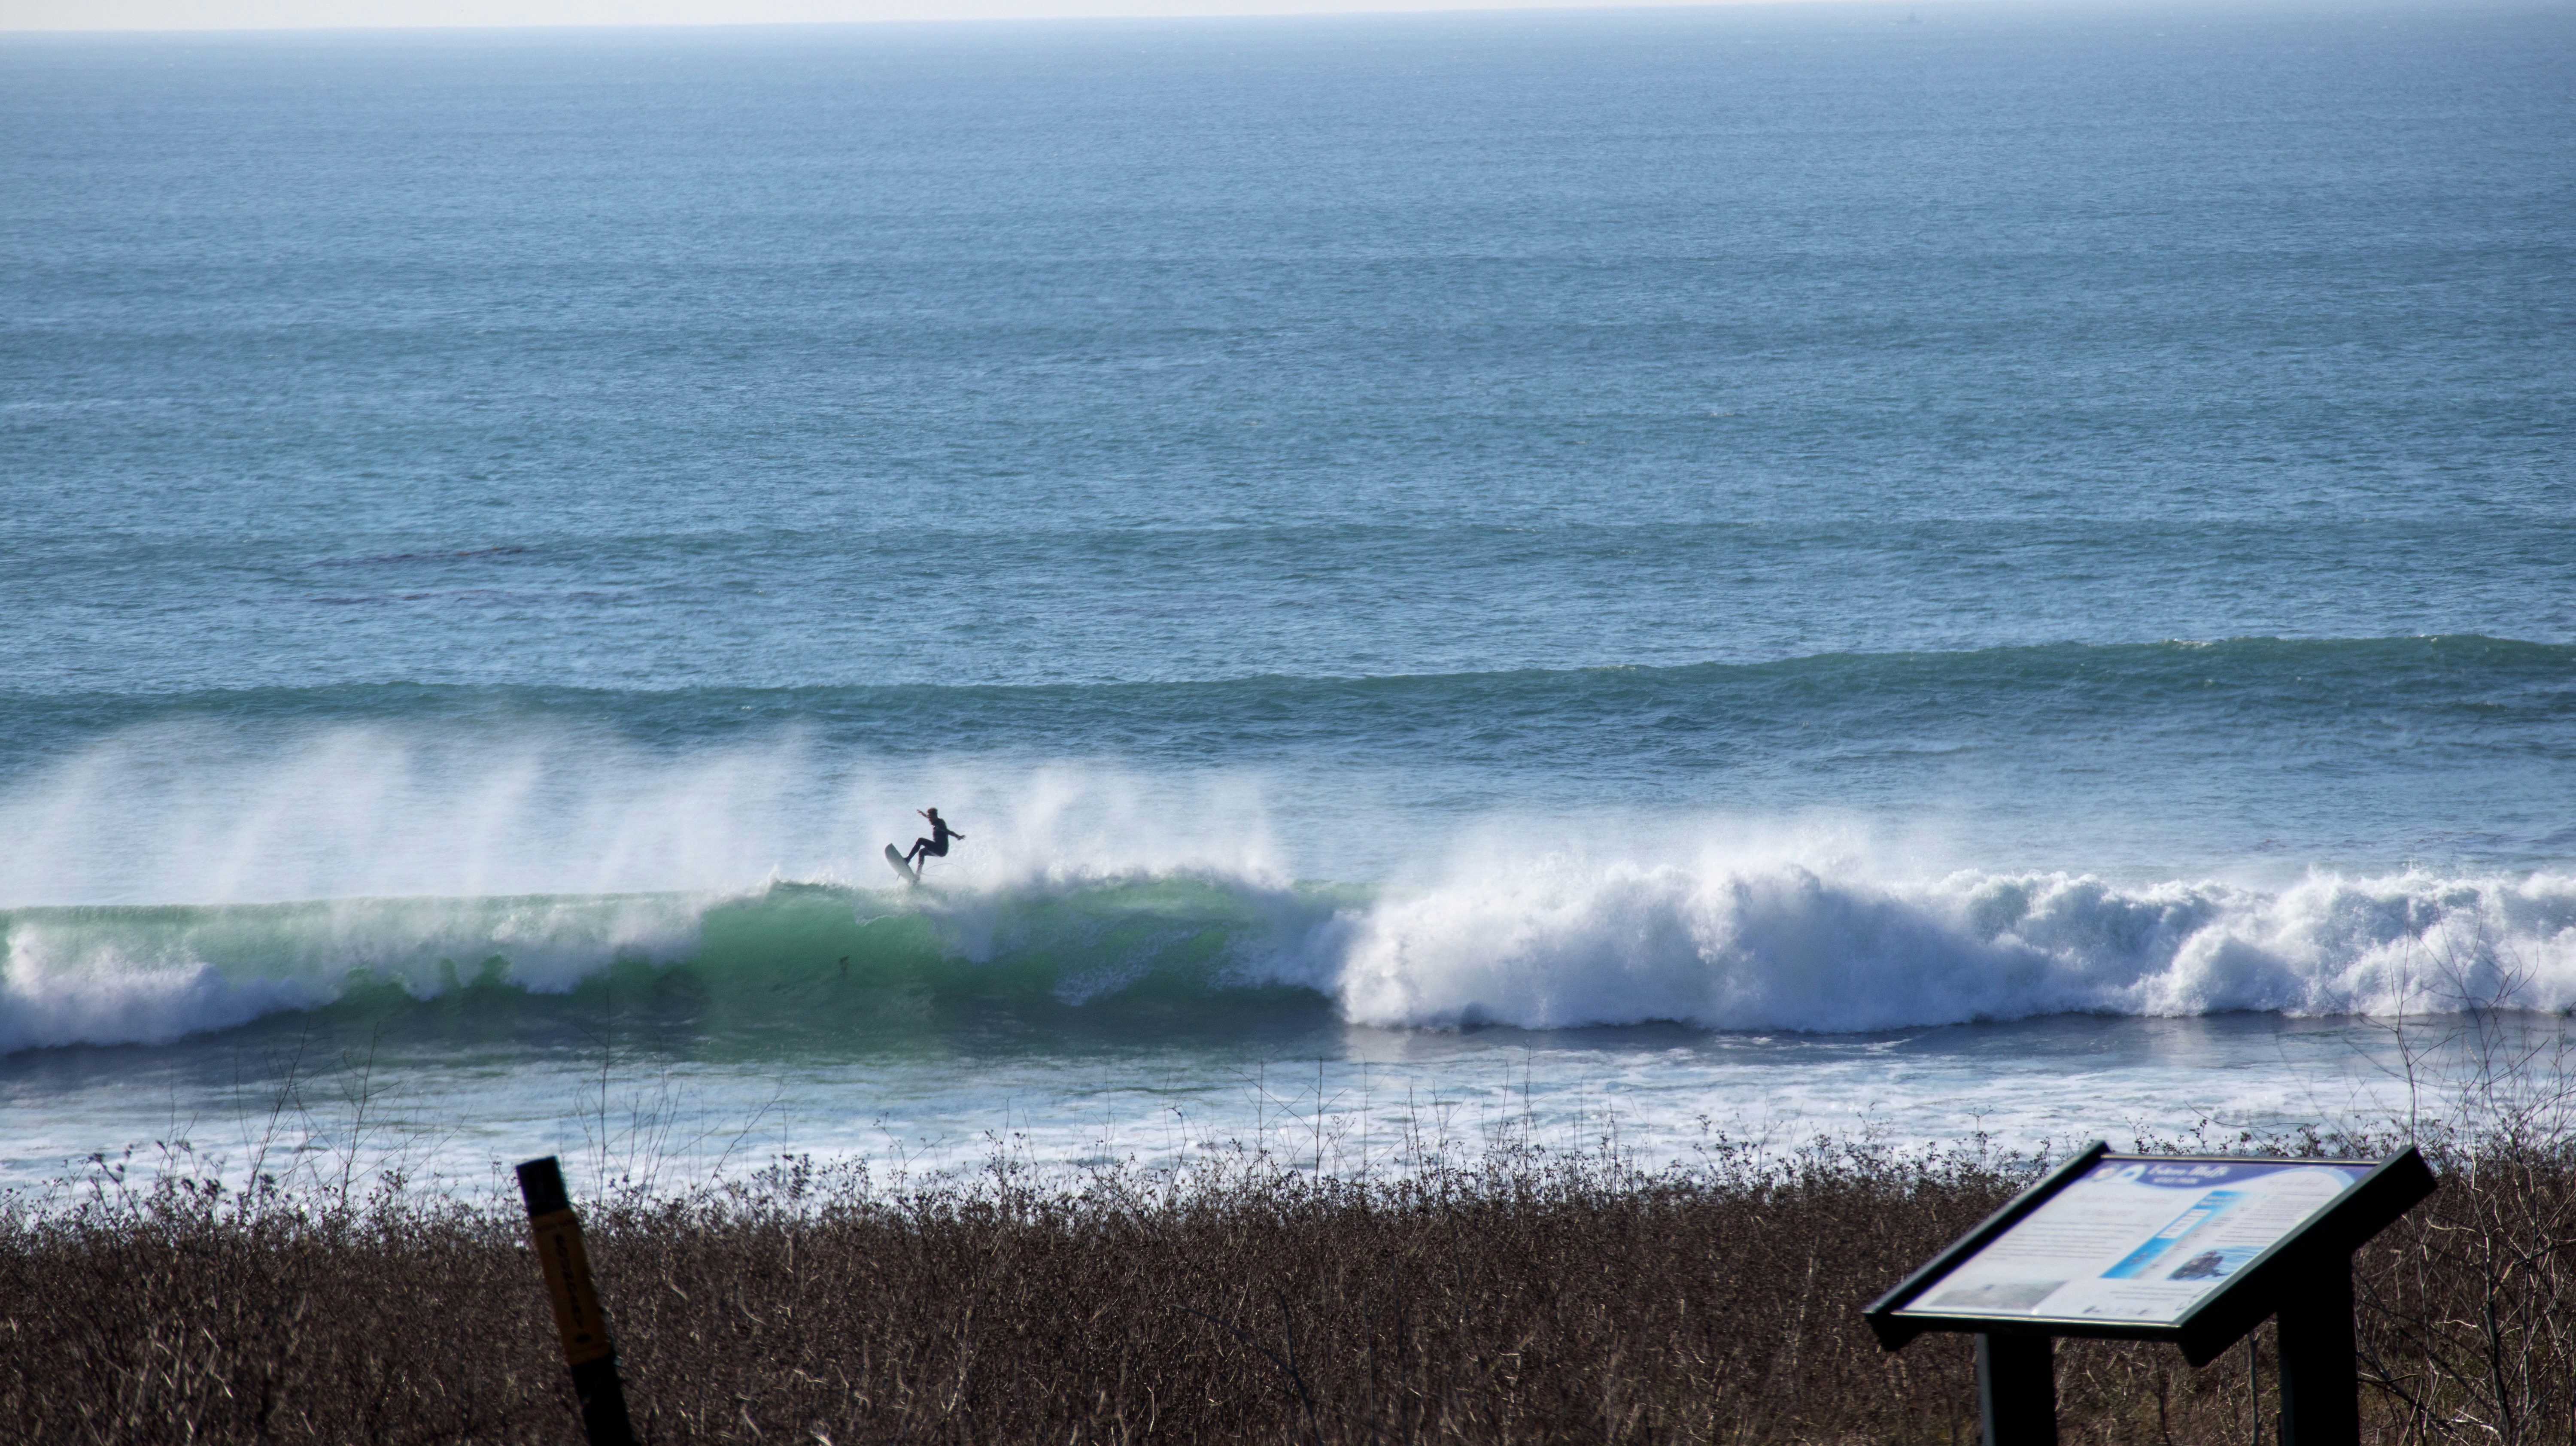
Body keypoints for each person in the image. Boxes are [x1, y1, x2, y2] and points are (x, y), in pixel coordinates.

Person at [902, 808, 964, 873]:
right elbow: (928, 817)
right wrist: (923, 814)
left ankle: (908, 859)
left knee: (920, 840)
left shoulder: (940, 825)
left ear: (935, 816)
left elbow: (948, 831)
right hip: (941, 851)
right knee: (922, 852)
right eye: (929, 818)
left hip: (940, 849)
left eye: (931, 818)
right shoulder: (936, 821)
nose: (930, 820)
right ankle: (918, 874)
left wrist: (957, 836)